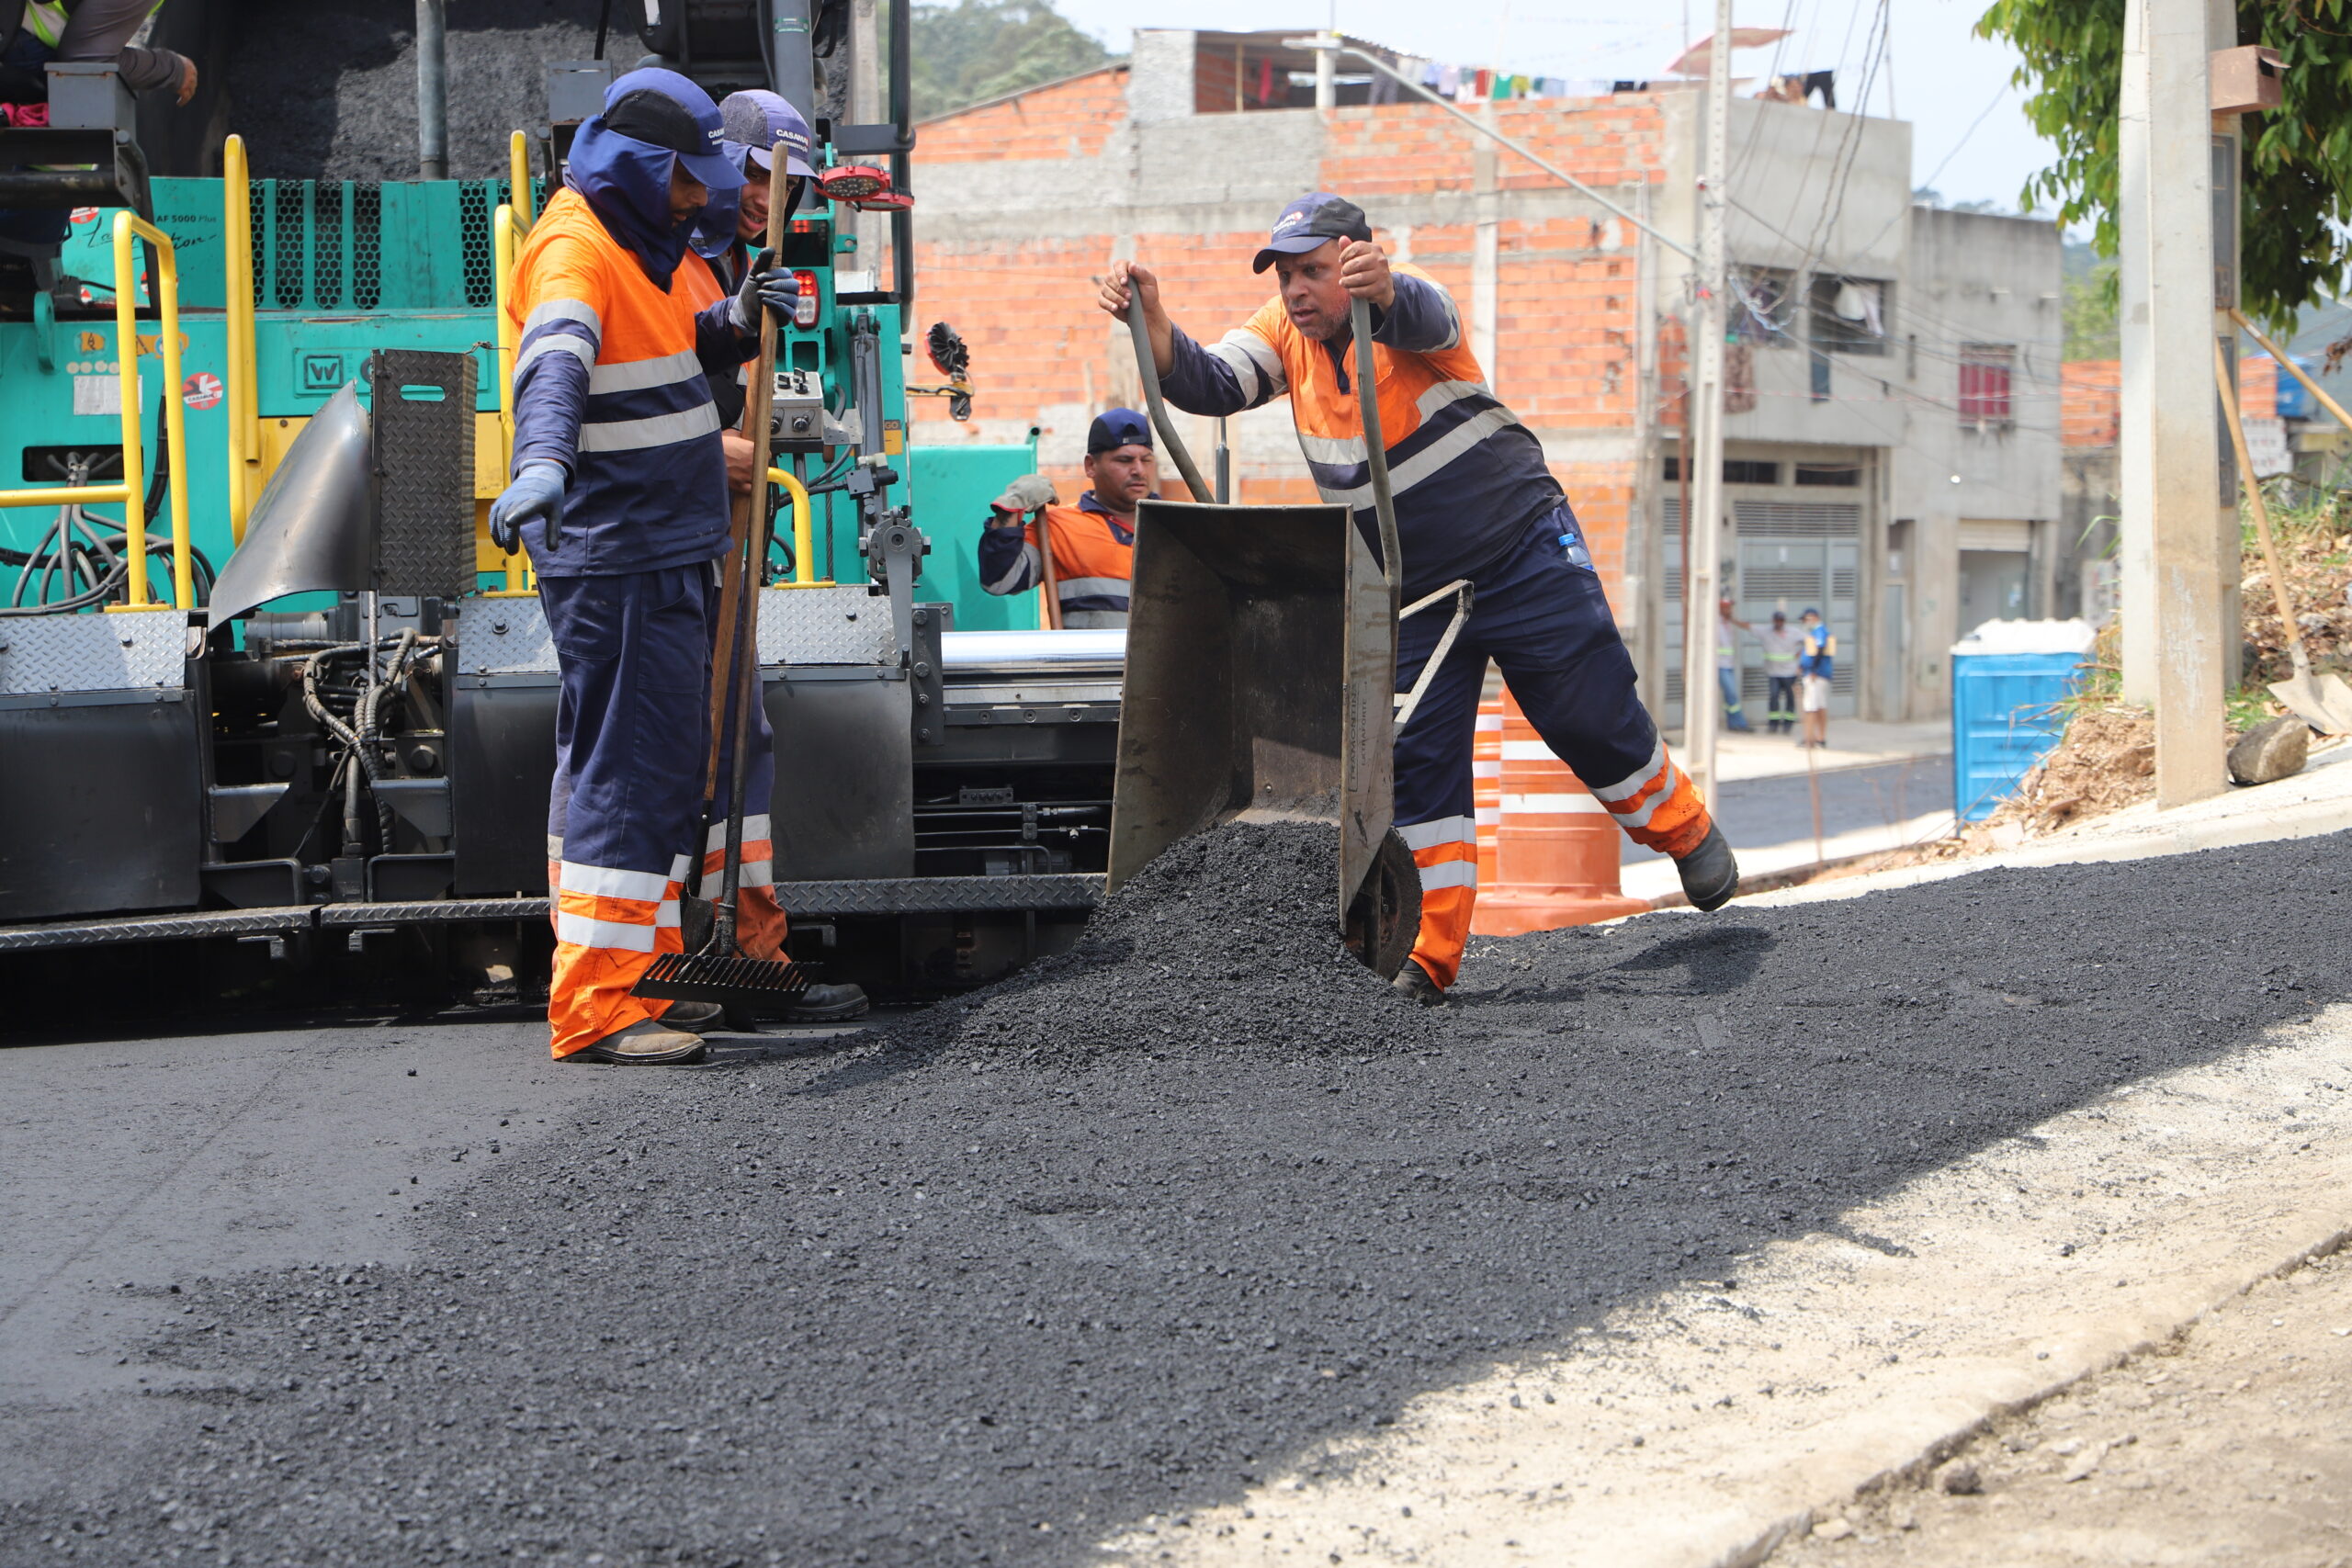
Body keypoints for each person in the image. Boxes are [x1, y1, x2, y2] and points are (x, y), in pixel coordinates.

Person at [1098, 190, 1740, 1004]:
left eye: (1314, 272)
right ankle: (1427, 957)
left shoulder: (1410, 307)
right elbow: (1210, 380)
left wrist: (1386, 288)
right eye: (1287, 276)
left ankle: (1685, 832)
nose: (1297, 291)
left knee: (1587, 711)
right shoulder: (1285, 332)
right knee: (1418, 767)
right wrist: (1152, 317)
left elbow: (1425, 314)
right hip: (1412, 588)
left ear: (1354, 261)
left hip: (1519, 548)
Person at [490, 68, 814, 1065]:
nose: (697, 199)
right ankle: (597, 1005)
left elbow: (666, 354)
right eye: (687, 179)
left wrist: (733, 320)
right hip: (620, 552)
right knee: (627, 773)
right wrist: (543, 462)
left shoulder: (642, 245)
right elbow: (557, 361)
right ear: (639, 164)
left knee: (657, 768)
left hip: (661, 544)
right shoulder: (576, 250)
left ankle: (645, 975)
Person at [665, 89, 872, 1029]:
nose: (768, 200)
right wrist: (709, 453)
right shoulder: (661, 259)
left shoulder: (737, 266)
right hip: (656, 538)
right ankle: (655, 960)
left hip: (713, 535)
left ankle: (750, 950)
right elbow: (615, 403)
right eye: (758, 178)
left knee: (739, 743)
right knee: (672, 750)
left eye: (785, 189)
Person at [0, 0, 197, 260]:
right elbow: (86, 61)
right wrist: (171, 69)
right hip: (19, 37)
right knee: (74, 133)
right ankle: (21, 259)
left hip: (15, 29)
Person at [978, 408, 1155, 628]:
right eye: (1125, 460)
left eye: (1146, 460)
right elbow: (999, 581)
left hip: (1165, 653)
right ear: (1091, 466)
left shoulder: (1176, 526)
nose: (1139, 470)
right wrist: (1011, 507)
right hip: (1089, 653)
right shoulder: (1058, 528)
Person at [1754, 609, 1804, 735]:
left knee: (1790, 698)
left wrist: (1801, 654)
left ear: (1784, 621)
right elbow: (1749, 627)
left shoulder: (1793, 632)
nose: (1779, 622)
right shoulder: (1767, 632)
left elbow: (1809, 641)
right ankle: (1773, 724)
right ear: (1773, 621)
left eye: (1781, 620)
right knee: (1774, 696)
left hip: (1789, 673)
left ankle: (1788, 724)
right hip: (1773, 673)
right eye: (1777, 620)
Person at [1797, 607, 1836, 749]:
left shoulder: (1819, 631)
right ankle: (1820, 738)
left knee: (1811, 707)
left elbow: (1819, 649)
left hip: (1816, 675)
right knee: (1819, 706)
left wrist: (1813, 670)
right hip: (1818, 674)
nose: (1805, 622)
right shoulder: (1817, 632)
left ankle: (1810, 738)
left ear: (1814, 618)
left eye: (1806, 619)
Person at [1715, 596, 1753, 732]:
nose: (1730, 610)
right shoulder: (1715, 624)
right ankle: (1740, 723)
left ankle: (1732, 723)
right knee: (1732, 694)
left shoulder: (1728, 623)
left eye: (1730, 607)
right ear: (1720, 609)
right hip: (1720, 665)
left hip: (1728, 664)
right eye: (1727, 607)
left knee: (1729, 696)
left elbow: (1745, 626)